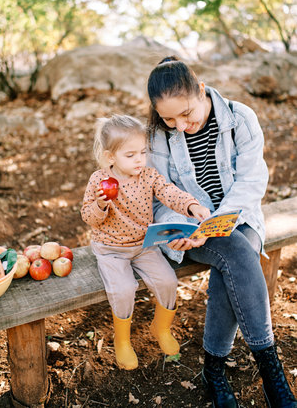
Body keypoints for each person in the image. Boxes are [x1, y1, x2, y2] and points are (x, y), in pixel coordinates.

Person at [147, 56, 297, 408]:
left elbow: (251, 181)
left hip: (240, 217)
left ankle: (213, 369)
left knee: (234, 250)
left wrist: (219, 222)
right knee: (239, 252)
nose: (180, 126)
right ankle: (269, 367)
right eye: (169, 118)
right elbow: (159, 194)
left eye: (187, 114)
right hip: (188, 230)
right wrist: (184, 226)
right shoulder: (158, 135)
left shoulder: (240, 117)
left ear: (201, 90)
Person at [81, 114, 210, 371]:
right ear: (110, 157)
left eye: (142, 152)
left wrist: (191, 205)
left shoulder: (149, 176)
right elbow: (88, 217)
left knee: (167, 280)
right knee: (124, 289)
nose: (139, 159)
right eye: (130, 155)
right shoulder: (99, 181)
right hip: (111, 250)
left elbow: (168, 192)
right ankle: (123, 341)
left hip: (144, 245)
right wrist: (100, 204)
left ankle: (160, 327)